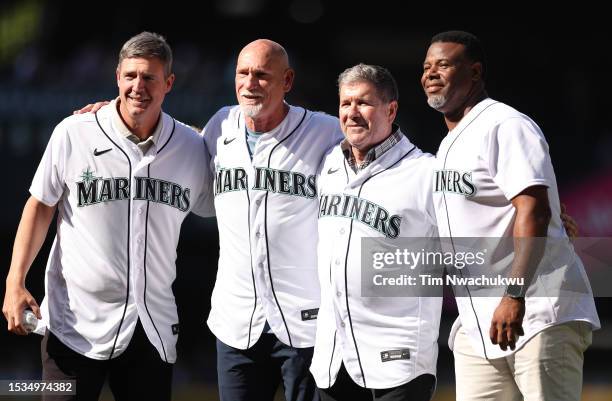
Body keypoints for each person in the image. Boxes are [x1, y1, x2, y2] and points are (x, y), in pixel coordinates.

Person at [2, 31, 214, 401]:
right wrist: (14, 281)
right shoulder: (74, 132)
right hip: (73, 324)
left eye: (149, 77)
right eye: (130, 76)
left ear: (169, 83)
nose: (138, 86)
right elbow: (39, 206)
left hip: (151, 327)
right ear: (117, 76)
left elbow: (226, 199)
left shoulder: (191, 147)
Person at [421, 30, 600, 401]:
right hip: (479, 322)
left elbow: (533, 210)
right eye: (426, 67)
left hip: (535, 311)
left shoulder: (505, 123)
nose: (431, 73)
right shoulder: (448, 143)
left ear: (474, 72)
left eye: (444, 64)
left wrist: (513, 295)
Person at [201, 39, 344, 401]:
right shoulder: (219, 126)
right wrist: (111, 111)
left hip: (307, 322)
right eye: (243, 73)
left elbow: (383, 150)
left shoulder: (326, 132)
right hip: (236, 322)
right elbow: (163, 137)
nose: (250, 83)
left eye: (262, 75)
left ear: (288, 81)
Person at [310, 64, 439, 401]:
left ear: (391, 109)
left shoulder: (425, 172)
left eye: (363, 103)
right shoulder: (326, 166)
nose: (352, 113)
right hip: (333, 358)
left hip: (399, 360)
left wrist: (551, 216)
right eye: (345, 103)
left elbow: (481, 223)